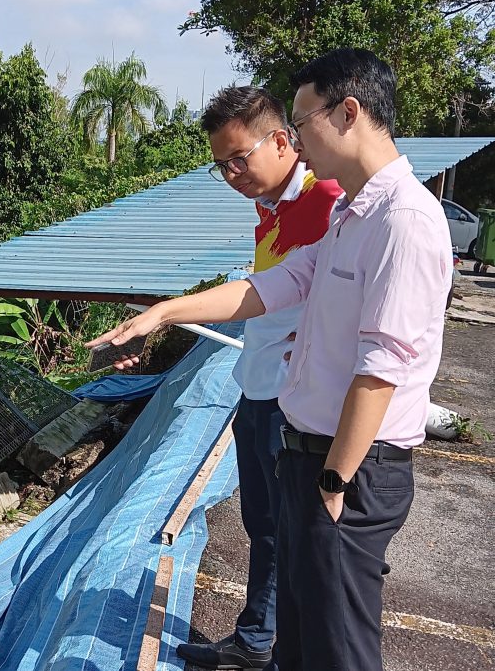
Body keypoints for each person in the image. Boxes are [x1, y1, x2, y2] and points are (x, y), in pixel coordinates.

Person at [88, 48, 452, 671]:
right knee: (304, 642)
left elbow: (383, 365)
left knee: (339, 649)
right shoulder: (351, 214)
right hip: (307, 447)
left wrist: (334, 483)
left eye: (303, 121)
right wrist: (161, 314)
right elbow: (273, 286)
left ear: (348, 113)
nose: (300, 140)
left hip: (350, 467)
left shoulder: (405, 221)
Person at [171, 86, 341, 671]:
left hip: (294, 402)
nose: (232, 173)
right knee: (264, 524)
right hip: (257, 386)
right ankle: (259, 639)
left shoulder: (329, 204)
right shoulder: (272, 209)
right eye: (222, 165)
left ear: (282, 140)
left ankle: (273, 645)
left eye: (239, 158)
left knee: (294, 533)